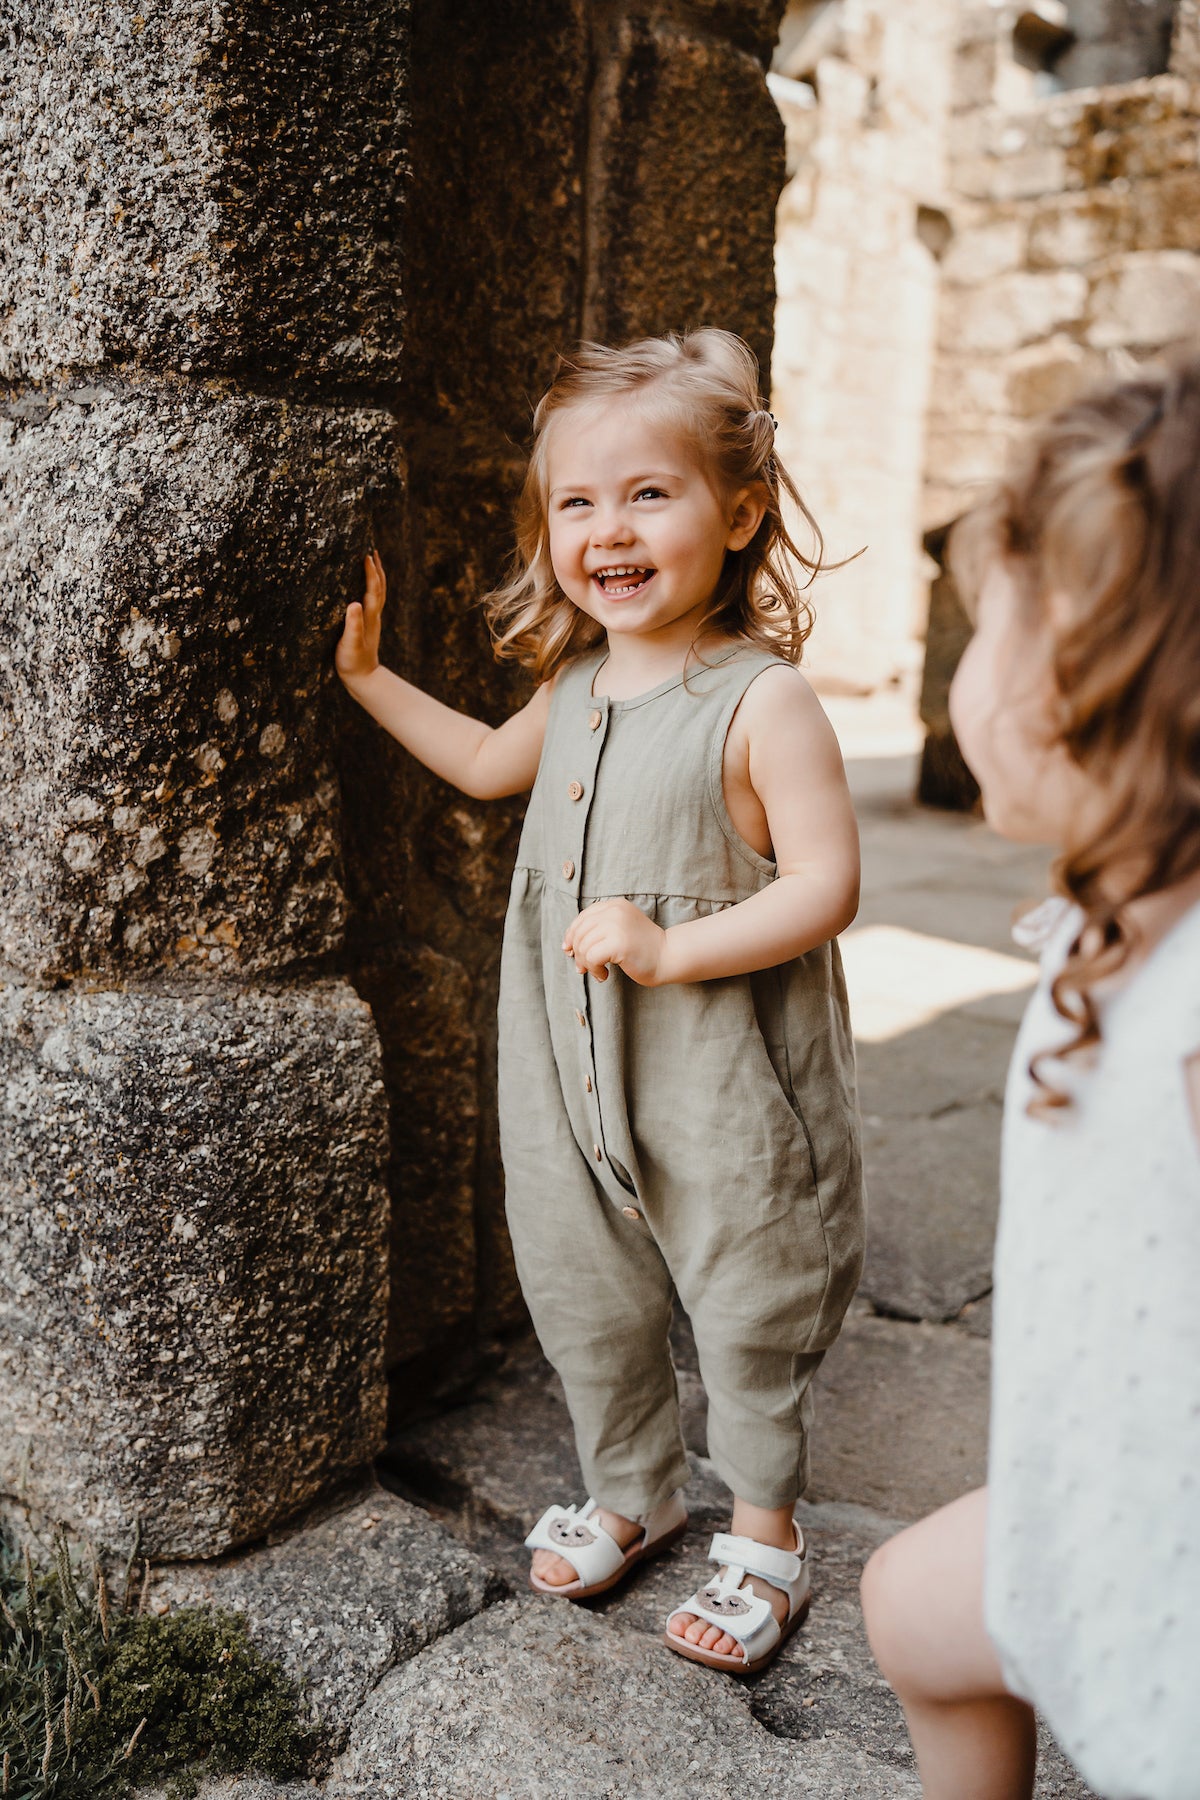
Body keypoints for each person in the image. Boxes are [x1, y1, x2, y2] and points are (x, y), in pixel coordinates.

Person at [337, 328, 866, 1674]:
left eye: (649, 494)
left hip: (719, 1075)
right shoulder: (572, 687)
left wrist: (667, 948)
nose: (607, 529)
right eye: (578, 501)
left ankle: (766, 1536)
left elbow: (827, 886)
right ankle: (633, 1489)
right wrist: (365, 677)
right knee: (585, 1289)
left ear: (738, 513)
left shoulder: (763, 701)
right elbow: (478, 763)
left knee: (750, 1292)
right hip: (570, 1073)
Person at [860, 354, 1200, 1798]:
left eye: (987, 615)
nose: (961, 665)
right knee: (911, 1606)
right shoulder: (1125, 916)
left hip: (1167, 1564)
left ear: (1096, 677)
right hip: (1093, 1490)